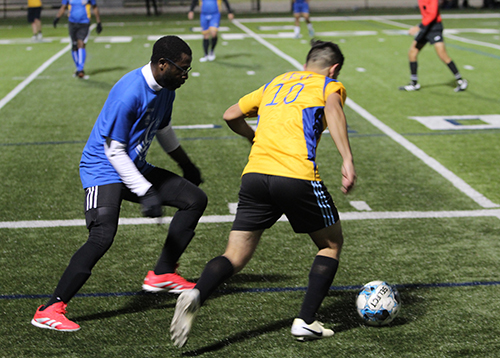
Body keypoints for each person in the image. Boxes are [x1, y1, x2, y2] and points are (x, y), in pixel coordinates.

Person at [170, 39, 356, 347]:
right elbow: (334, 112)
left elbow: (231, 114)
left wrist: (253, 136)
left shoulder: (275, 83)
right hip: (296, 176)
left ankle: (197, 292)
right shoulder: (328, 86)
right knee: (331, 244)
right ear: (333, 69)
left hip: (255, 176)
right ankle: (306, 321)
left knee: (235, 255)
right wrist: (347, 159)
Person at [31, 36, 208, 332]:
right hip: (103, 167)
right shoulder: (129, 92)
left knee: (195, 200)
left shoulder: (167, 87)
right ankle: (50, 308)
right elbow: (113, 150)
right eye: (182, 69)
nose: (185, 75)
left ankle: (162, 274)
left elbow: (161, 127)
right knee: (102, 235)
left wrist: (185, 163)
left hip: (132, 164)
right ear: (163, 65)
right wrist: (145, 191)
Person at [399, 0, 468, 92]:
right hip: (426, 28)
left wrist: (418, 27)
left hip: (434, 28)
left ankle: (460, 81)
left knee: (443, 55)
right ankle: (414, 83)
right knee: (412, 53)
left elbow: (432, 14)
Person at [53, 0, 103, 79]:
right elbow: (63, 7)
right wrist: (57, 17)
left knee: (81, 44)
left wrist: (98, 22)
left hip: (84, 23)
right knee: (74, 46)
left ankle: (80, 69)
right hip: (72, 23)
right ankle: (78, 67)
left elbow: (95, 7)